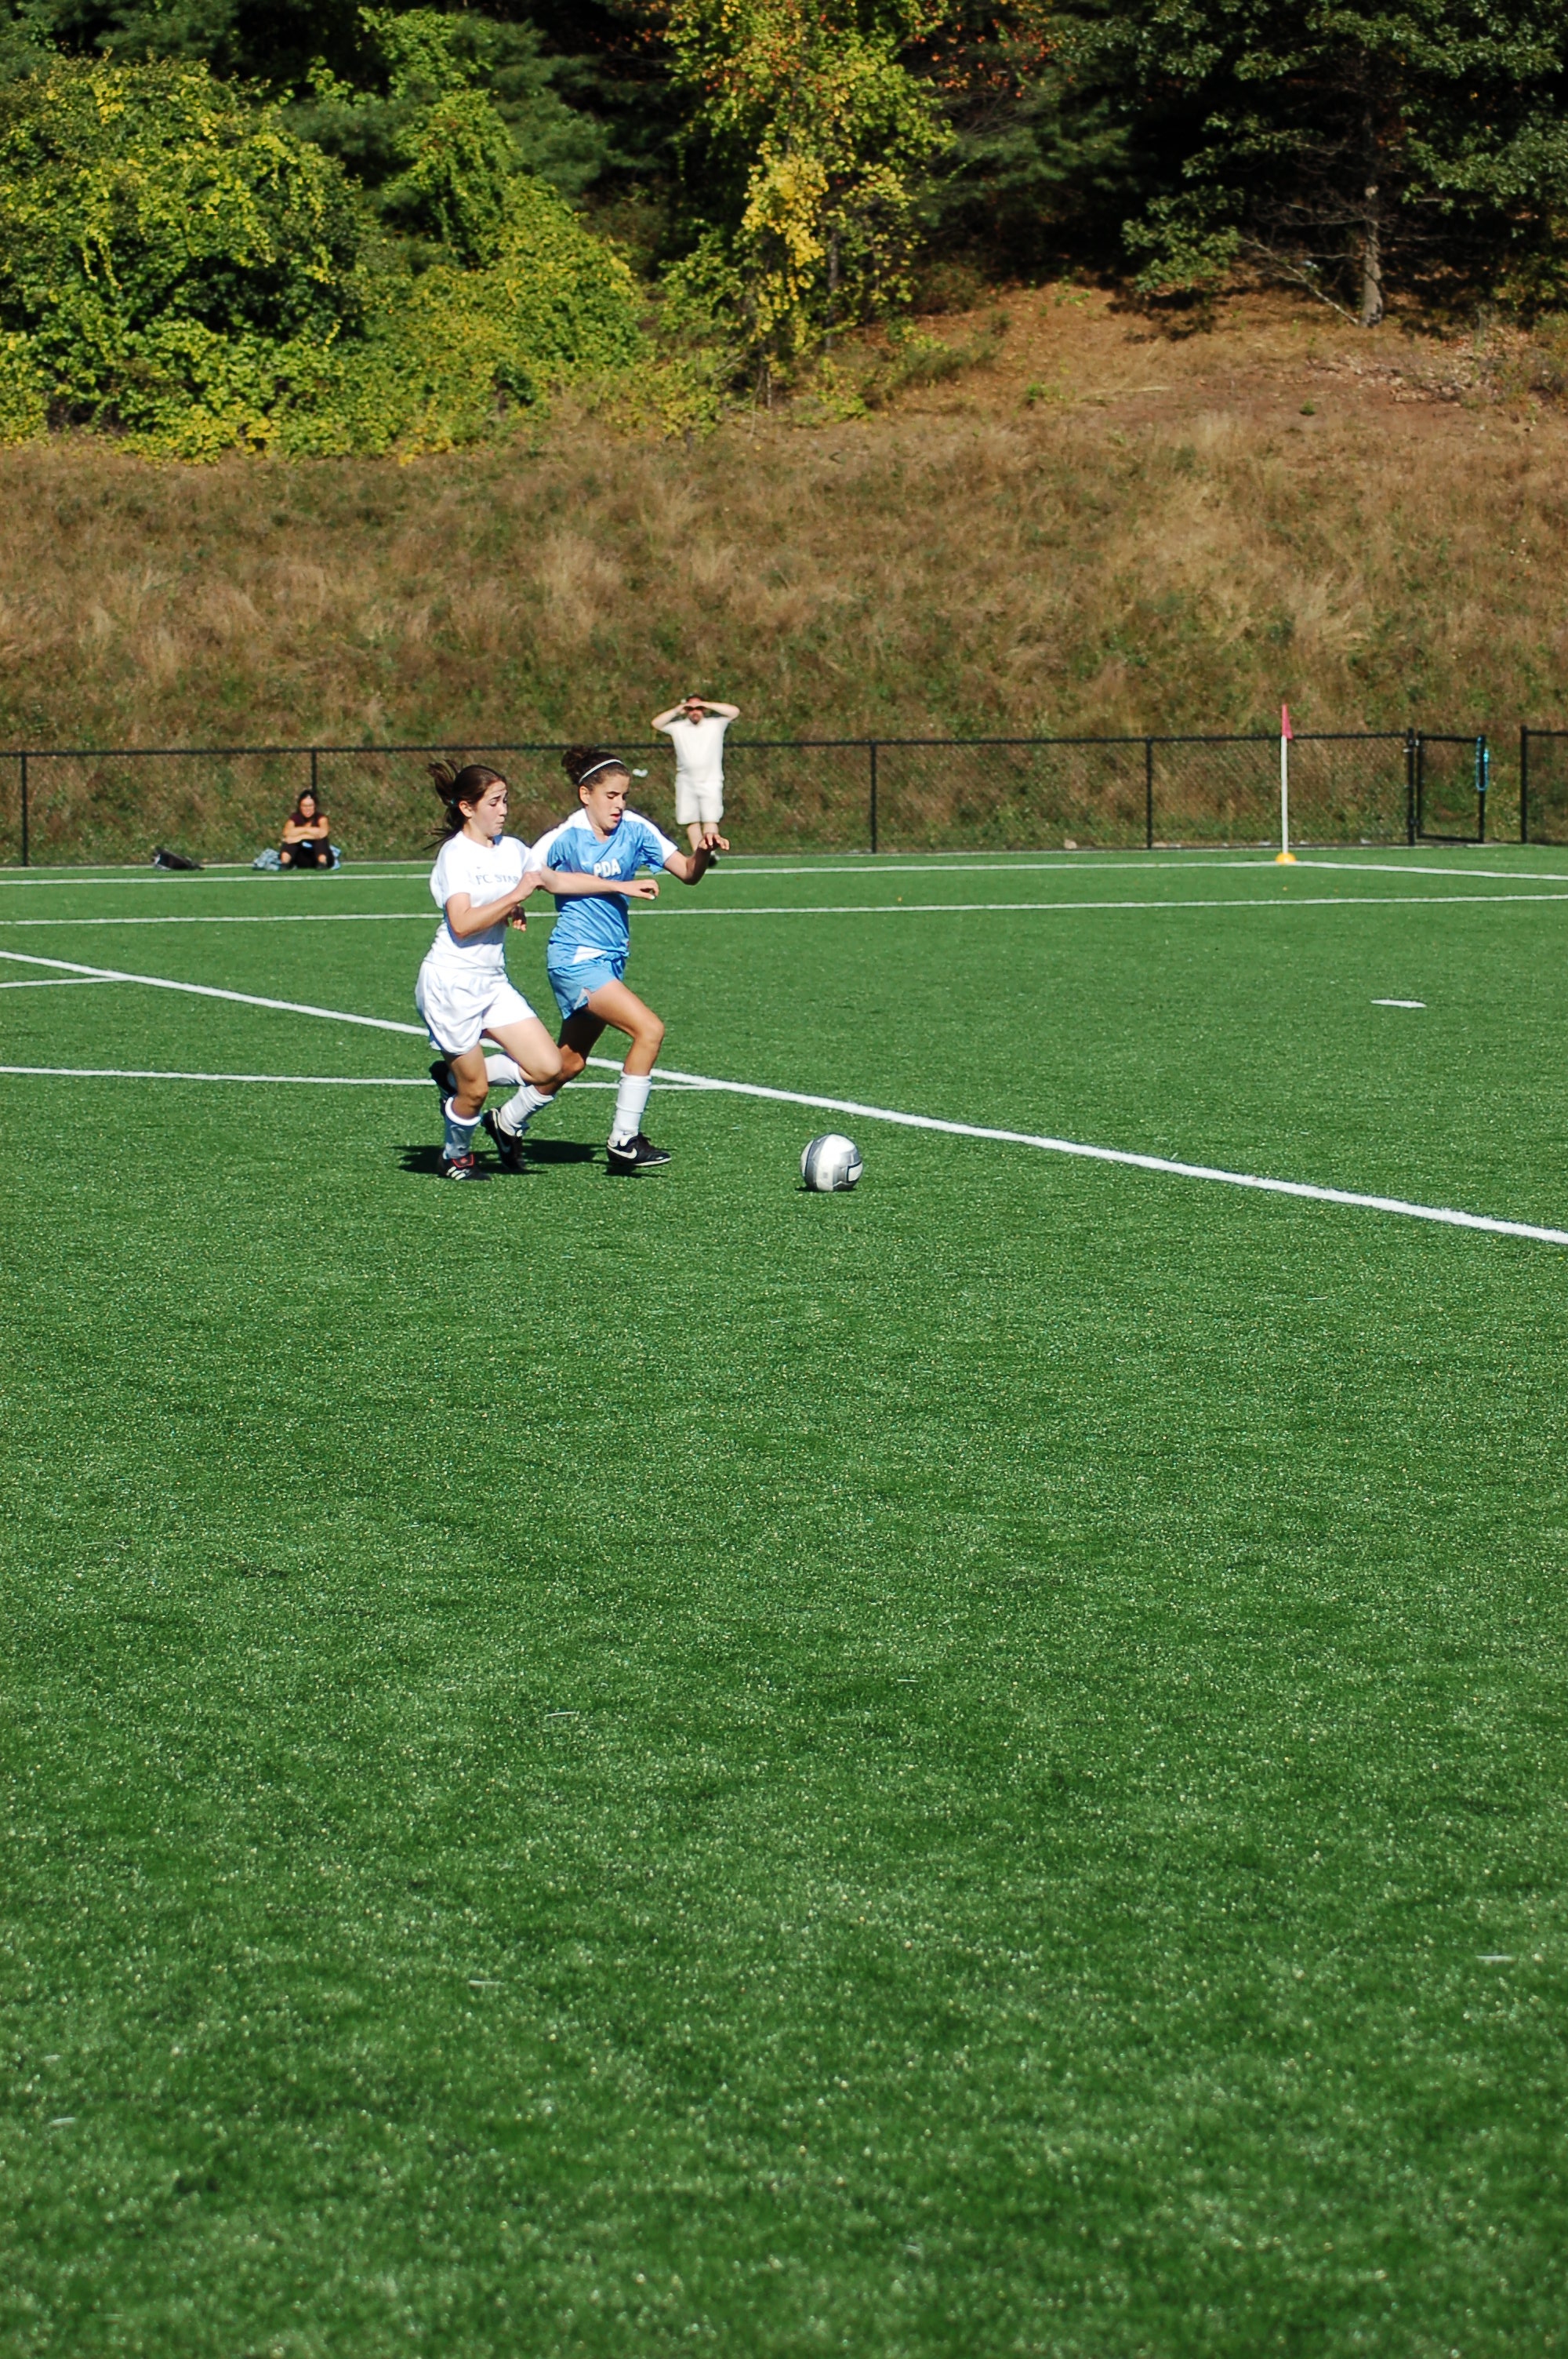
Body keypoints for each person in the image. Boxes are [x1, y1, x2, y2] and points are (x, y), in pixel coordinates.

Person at [481, 745, 720, 1175]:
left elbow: (688, 872)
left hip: (609, 960)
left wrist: (702, 851)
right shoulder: (565, 836)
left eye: (624, 795)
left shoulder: (636, 829)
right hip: (575, 958)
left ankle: (503, 1116)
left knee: (568, 1062)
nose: (619, 804)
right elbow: (526, 876)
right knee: (649, 1030)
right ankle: (624, 1139)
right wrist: (515, 904)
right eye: (611, 795)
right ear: (585, 795)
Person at [416, 760, 644, 1179]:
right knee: (475, 1091)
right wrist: (514, 897)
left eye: (506, 801)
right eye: (495, 802)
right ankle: (455, 1155)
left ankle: (450, 1078)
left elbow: (557, 881)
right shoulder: (456, 855)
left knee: (548, 1067)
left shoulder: (512, 849)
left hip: (491, 982)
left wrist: (619, 885)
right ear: (467, 808)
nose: (504, 810)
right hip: (450, 983)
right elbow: (461, 923)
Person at [651, 692, 739, 852]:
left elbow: (734, 712)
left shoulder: (716, 724)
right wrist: (677, 710)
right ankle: (698, 854)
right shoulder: (678, 727)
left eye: (698, 708)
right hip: (686, 781)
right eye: (691, 709)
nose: (695, 712)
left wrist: (707, 704)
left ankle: (710, 853)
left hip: (711, 780)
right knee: (690, 820)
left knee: (710, 819)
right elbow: (656, 723)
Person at [279, 788, 332, 868]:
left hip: (315, 854)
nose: (307, 809)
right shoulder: (295, 817)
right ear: (300, 807)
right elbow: (287, 832)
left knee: (321, 841)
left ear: (315, 806)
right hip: (301, 855)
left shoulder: (321, 818)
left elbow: (322, 833)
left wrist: (300, 837)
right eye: (304, 806)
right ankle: (284, 863)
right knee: (289, 841)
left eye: (310, 806)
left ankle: (322, 863)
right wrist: (310, 832)